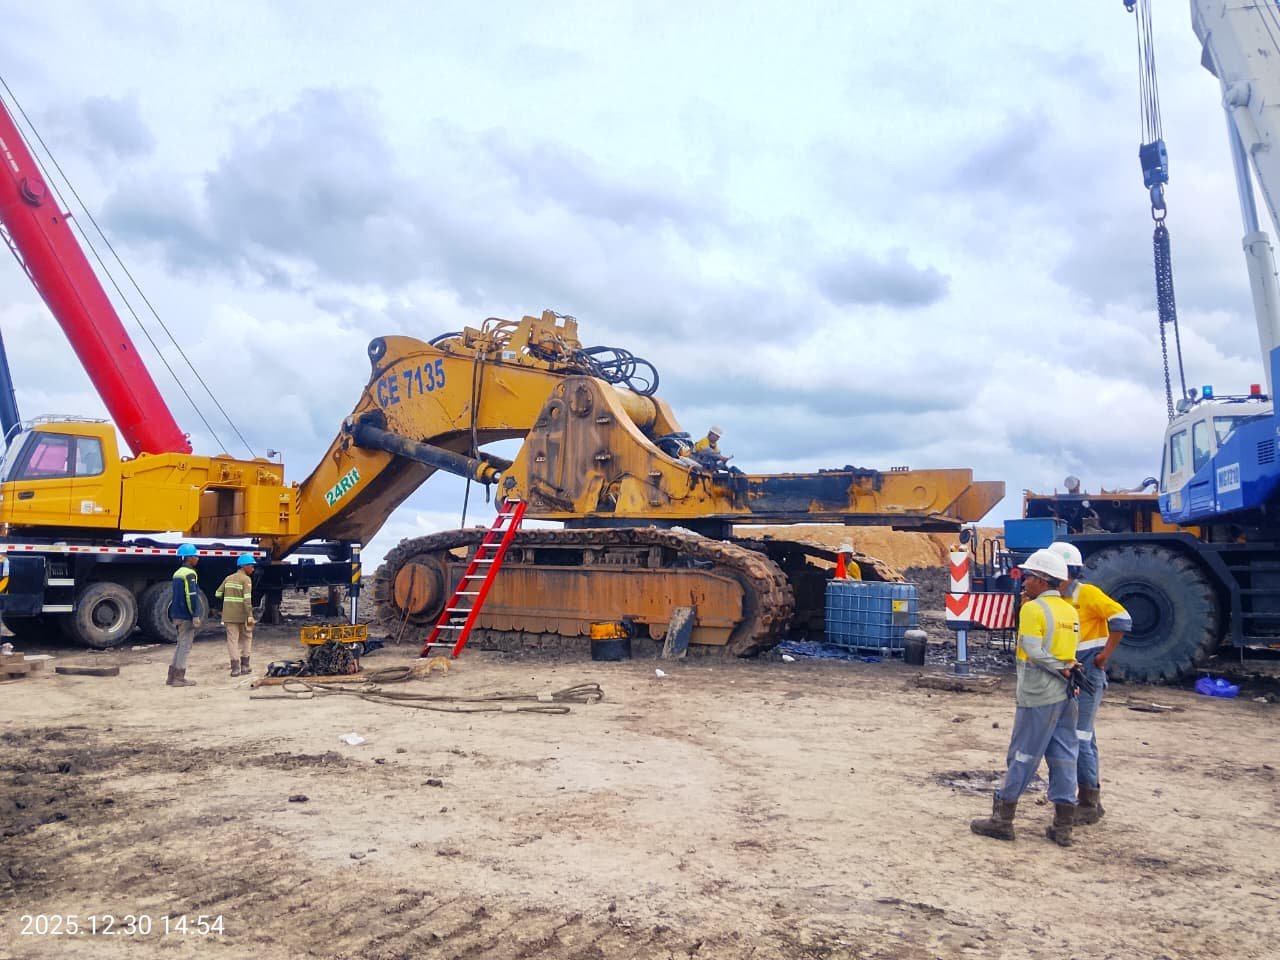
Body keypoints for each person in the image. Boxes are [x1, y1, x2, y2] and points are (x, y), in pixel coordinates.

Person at [970, 548, 1081, 846]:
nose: (1023, 580)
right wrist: (1067, 669)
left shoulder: (1033, 609)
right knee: (1064, 757)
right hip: (1067, 696)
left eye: (1028, 576)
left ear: (1042, 580)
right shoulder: (1069, 611)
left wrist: (1059, 668)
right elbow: (1070, 652)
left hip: (1038, 695)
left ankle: (1002, 819)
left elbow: (1032, 649)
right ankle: (1063, 827)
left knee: (1023, 755)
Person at [1048, 541, 1132, 825]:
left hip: (1088, 673)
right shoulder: (1057, 599)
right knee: (1084, 735)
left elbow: (1122, 619)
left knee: (1080, 737)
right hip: (1071, 672)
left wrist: (1104, 656)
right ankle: (1091, 798)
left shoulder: (1087, 594)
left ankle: (1087, 803)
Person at [216, 553, 257, 677]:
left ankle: (235, 669)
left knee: (232, 640)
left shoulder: (228, 578)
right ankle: (245, 666)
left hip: (229, 616)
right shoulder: (246, 580)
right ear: (244, 566)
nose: (253, 569)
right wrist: (250, 616)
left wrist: (229, 598)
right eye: (251, 566)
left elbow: (218, 594)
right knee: (247, 638)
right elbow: (247, 600)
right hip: (243, 616)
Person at [167, 543, 203, 687]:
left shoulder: (177, 573)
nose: (198, 558)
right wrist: (195, 614)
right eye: (196, 556)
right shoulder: (190, 574)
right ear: (189, 558)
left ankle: (171, 676)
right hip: (186, 616)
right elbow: (191, 596)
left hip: (177, 614)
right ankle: (179, 678)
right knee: (185, 646)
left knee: (180, 644)